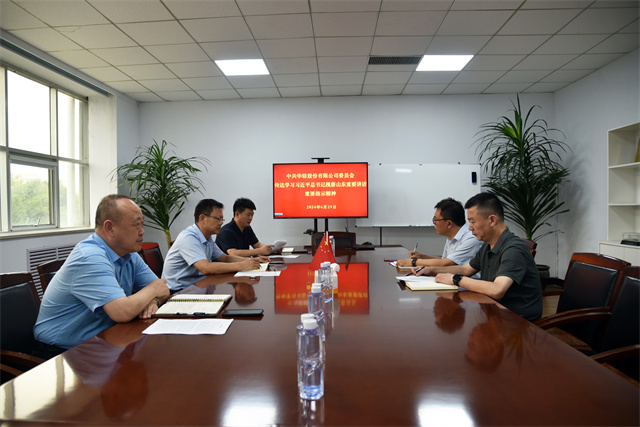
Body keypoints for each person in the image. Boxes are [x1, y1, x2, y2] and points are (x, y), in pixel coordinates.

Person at [33, 195, 170, 351]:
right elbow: (122, 312)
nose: (142, 232)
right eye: (136, 225)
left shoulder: (128, 253)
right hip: (59, 351)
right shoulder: (90, 257)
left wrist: (154, 301)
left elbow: (163, 289)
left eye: (142, 225)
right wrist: (153, 290)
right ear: (109, 228)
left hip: (105, 338)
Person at [414, 192, 543, 321]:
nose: (470, 228)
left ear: (492, 220)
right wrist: (431, 270)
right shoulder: (488, 245)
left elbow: (497, 290)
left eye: (472, 221)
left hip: (517, 321)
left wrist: (456, 279)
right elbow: (466, 269)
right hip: (493, 311)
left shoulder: (514, 249)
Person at [162, 198, 268, 290]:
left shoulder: (207, 238)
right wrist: (241, 265)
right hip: (178, 290)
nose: (221, 223)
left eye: (222, 219)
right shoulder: (188, 237)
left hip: (198, 286)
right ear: (202, 218)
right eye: (218, 219)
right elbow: (205, 268)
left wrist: (253, 260)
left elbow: (225, 258)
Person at [397, 198, 483, 271]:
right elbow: (445, 259)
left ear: (449, 223)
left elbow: (445, 263)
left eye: (435, 220)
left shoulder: (471, 238)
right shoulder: (452, 236)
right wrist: (422, 257)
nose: (434, 223)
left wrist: (413, 262)